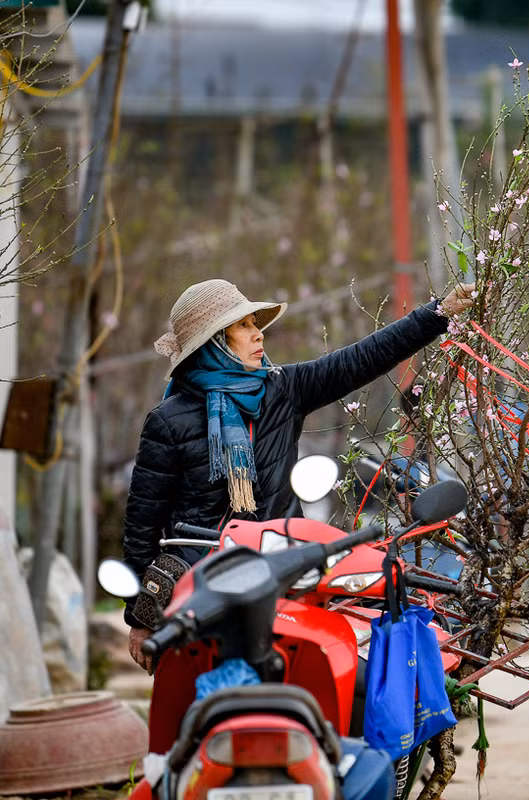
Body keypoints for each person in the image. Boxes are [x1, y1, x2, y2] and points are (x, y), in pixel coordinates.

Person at [123, 278, 474, 669]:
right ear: (214, 342)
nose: (258, 334)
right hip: (202, 591)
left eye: (255, 324)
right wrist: (140, 617)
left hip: (284, 577)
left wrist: (439, 313)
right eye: (243, 326)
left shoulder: (282, 390)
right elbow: (142, 526)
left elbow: (363, 358)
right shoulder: (168, 421)